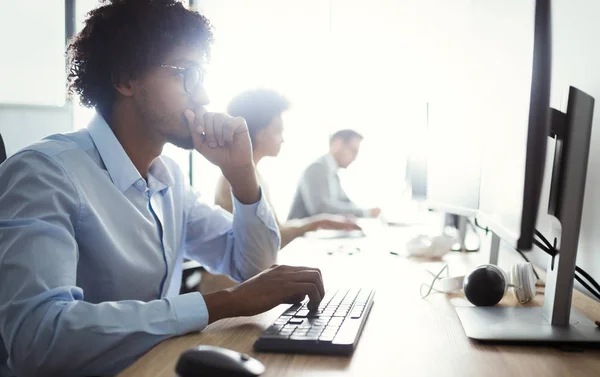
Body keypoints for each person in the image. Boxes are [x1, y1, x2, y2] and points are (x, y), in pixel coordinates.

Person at [0, 2, 324, 376]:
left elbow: (253, 265)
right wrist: (224, 303)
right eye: (188, 74)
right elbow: (39, 339)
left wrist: (242, 174)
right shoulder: (44, 174)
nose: (203, 96)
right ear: (125, 78)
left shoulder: (168, 178)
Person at [215, 89, 361, 249]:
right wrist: (320, 222)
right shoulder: (237, 179)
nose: (282, 139)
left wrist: (323, 221)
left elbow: (274, 230)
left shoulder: (253, 174)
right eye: (278, 131)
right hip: (238, 273)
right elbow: (273, 238)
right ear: (260, 134)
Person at [287, 129, 381, 220]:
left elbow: (346, 202)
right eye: (353, 151)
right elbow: (320, 208)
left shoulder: (333, 174)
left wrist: (366, 211)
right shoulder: (317, 168)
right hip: (300, 234)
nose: (354, 158)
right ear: (337, 144)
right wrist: (364, 212)